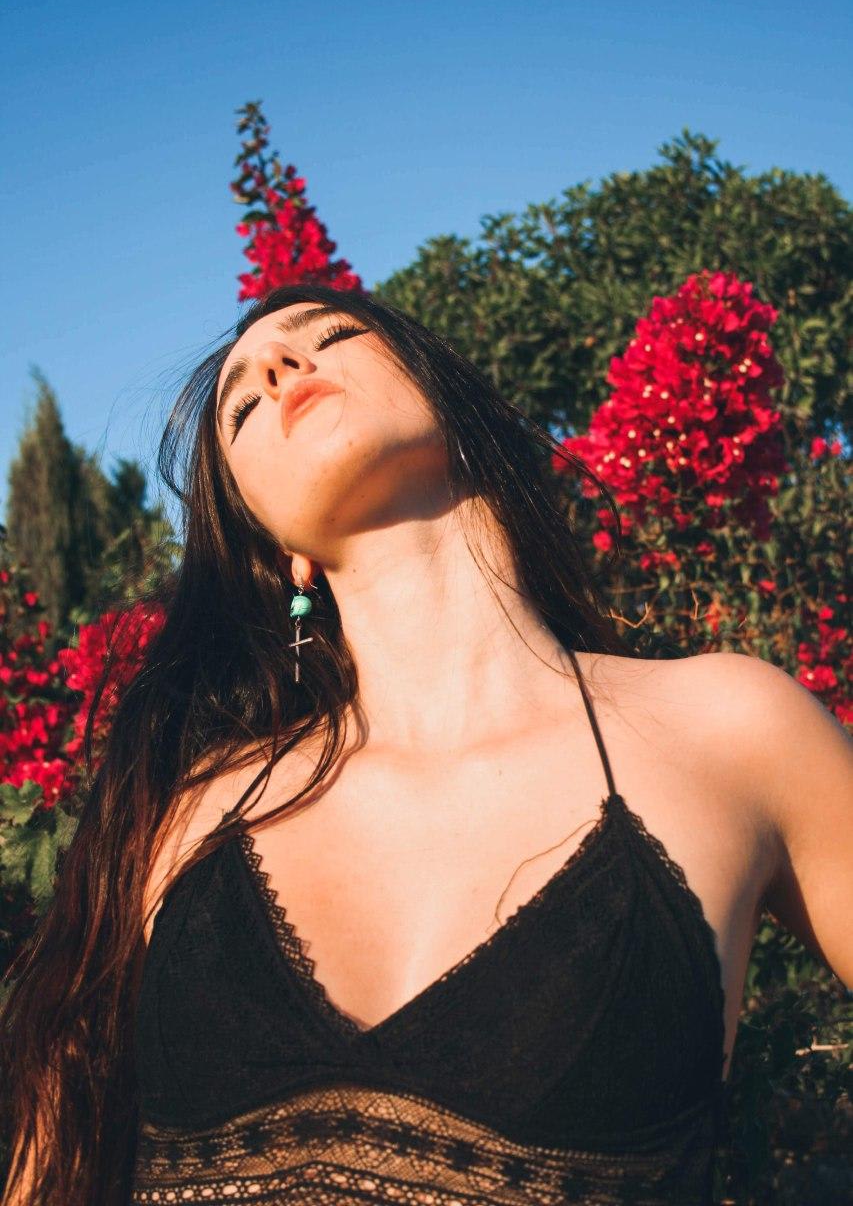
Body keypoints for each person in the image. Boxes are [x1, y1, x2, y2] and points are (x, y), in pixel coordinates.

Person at [2, 284, 851, 1205]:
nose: (279, 366)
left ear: (455, 404)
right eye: (241, 407)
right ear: (278, 551)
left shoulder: (729, 731)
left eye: (331, 334)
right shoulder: (193, 816)